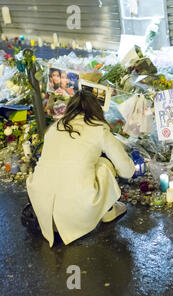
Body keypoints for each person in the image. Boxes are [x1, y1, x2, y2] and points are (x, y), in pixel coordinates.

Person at [27, 90, 135, 247]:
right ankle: (109, 212)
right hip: (75, 211)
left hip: (42, 207)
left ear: (70, 108)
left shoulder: (54, 127)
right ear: (96, 109)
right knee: (104, 165)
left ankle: (57, 219)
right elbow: (127, 170)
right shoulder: (98, 128)